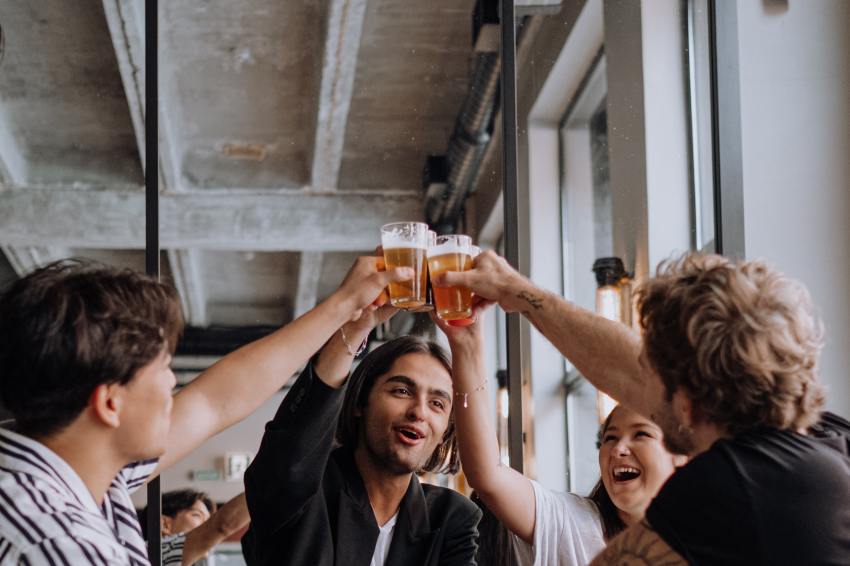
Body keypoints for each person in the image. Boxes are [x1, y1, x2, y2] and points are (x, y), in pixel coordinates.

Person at [436, 251, 850, 564]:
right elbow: (625, 366)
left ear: (687, 398)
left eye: (655, 371)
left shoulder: (730, 483)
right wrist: (516, 292)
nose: (642, 388)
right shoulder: (827, 441)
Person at [0, 256, 408, 565]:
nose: (173, 384)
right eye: (162, 370)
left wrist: (347, 311)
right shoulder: (62, 547)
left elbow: (216, 401)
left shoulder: (67, 467)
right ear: (109, 403)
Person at [433, 312, 685, 566]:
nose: (619, 448)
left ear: (681, 455)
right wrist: (467, 346)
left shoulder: (708, 541)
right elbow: (487, 475)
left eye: (641, 434)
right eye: (610, 437)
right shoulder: (575, 524)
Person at [241, 313, 482, 566]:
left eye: (437, 404)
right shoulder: (308, 496)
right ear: (360, 402)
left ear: (445, 429)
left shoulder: (451, 518)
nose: (419, 411)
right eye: (401, 391)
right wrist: (355, 328)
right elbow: (290, 459)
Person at [143, 489, 249, 566]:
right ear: (164, 524)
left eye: (208, 521)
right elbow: (222, 526)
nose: (206, 525)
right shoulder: (152, 552)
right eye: (197, 515)